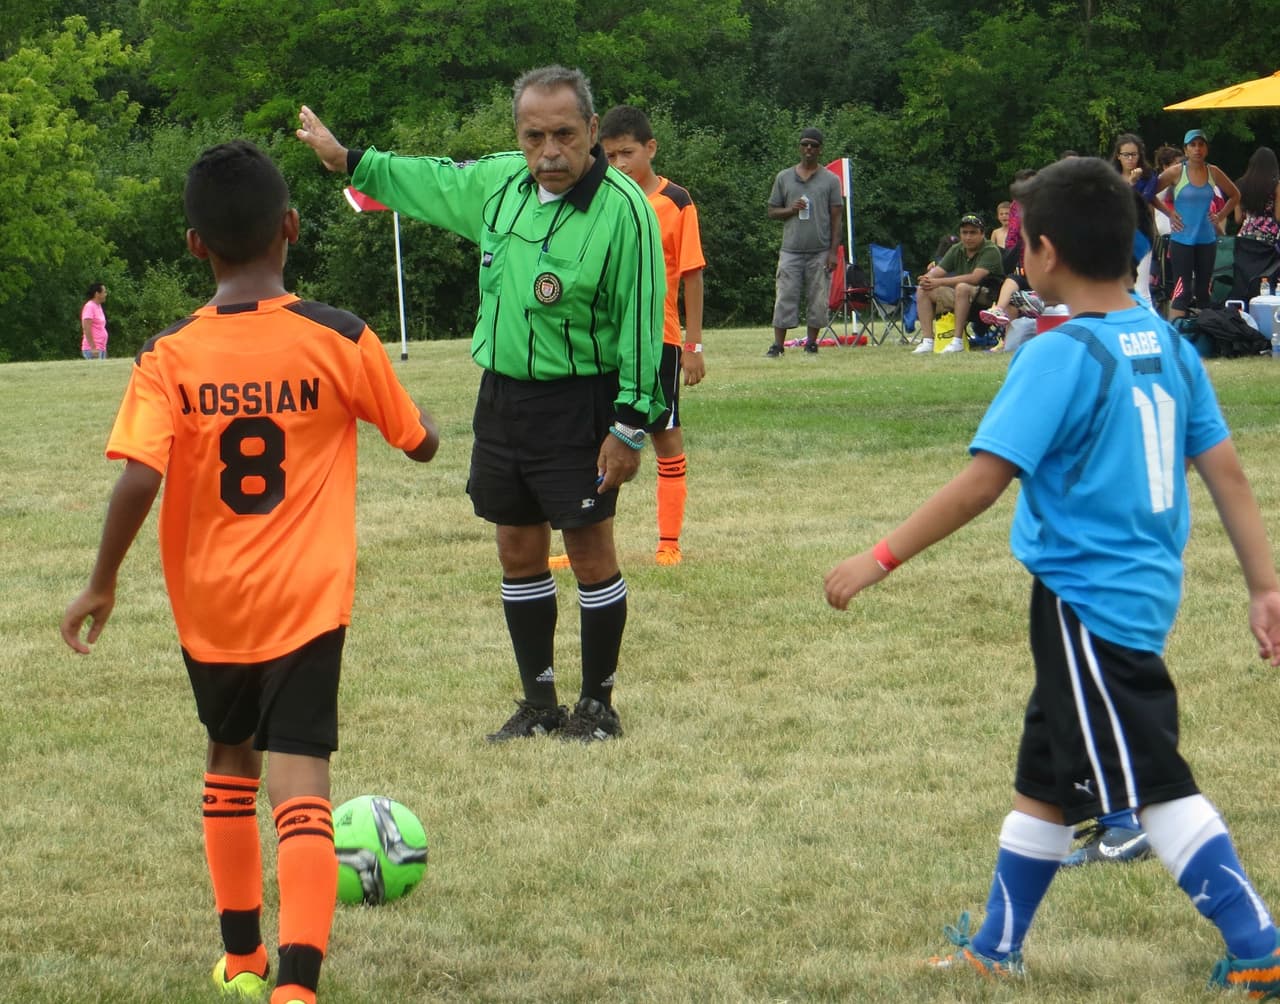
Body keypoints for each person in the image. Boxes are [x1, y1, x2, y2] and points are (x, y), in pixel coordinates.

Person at [825, 156, 1280, 995]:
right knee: (1046, 778)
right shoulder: (1165, 341)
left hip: (1085, 604)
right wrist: (1263, 584)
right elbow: (1227, 471)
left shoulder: (1058, 353)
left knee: (1149, 782)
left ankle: (1259, 943)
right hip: (1133, 594)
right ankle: (996, 945)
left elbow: (982, 482)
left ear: (1040, 251)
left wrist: (878, 556)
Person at [59, 140, 440, 1004]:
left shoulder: (168, 355)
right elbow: (418, 443)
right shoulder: (339, 335)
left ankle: (240, 960)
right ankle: (297, 988)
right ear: (293, 229)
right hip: (306, 600)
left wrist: (102, 580)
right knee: (301, 780)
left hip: (211, 604)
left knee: (228, 760)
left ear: (195, 245)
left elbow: (139, 476)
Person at [296, 66, 666, 744]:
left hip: (579, 401)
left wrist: (629, 427)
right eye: (533, 137)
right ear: (518, 137)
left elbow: (646, 324)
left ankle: (598, 706)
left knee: (588, 551)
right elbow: (428, 179)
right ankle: (539, 704)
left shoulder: (627, 212)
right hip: (501, 398)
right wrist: (349, 160)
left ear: (591, 131)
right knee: (516, 546)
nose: (548, 153)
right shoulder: (499, 185)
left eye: (563, 135)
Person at [598, 105, 706, 567]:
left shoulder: (676, 202)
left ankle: (668, 541)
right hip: (604, 339)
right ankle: (591, 543)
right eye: (609, 155)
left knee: (664, 435)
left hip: (658, 338)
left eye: (627, 153)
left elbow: (693, 276)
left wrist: (693, 345)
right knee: (597, 439)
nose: (618, 164)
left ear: (650, 148)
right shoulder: (600, 198)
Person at [765, 127, 843, 357]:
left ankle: (811, 342)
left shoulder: (830, 180)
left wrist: (833, 252)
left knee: (818, 298)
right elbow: (771, 211)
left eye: (814, 145)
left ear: (820, 150)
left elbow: (837, 218)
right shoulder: (784, 177)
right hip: (791, 249)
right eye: (805, 144)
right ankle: (778, 345)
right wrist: (791, 209)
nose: (809, 149)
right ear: (799, 146)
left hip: (820, 249)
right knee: (785, 296)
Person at [1157, 128, 1239, 319]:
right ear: (1186, 150)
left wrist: (1220, 215)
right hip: (1182, 240)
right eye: (1192, 145)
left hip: (1206, 240)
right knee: (1182, 292)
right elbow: (1150, 192)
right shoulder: (1176, 172)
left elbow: (1235, 195)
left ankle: (1205, 337)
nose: (1197, 149)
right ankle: (1176, 337)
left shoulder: (1214, 172)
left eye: (1201, 144)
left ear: (1206, 149)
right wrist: (1168, 213)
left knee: (1203, 293)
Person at [912, 213, 1004, 354]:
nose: (968, 237)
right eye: (964, 232)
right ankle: (928, 341)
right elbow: (939, 270)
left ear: (982, 233)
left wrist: (938, 281)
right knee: (922, 289)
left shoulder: (990, 249)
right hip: (963, 296)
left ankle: (957, 342)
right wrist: (927, 278)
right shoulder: (957, 249)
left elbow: (975, 278)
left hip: (989, 297)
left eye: (973, 232)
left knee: (962, 287)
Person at [1230, 146, 1280, 301]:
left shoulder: (1240, 184)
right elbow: (1279, 216)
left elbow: (1238, 218)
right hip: (1268, 239)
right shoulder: (1276, 185)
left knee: (1244, 276)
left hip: (1244, 237)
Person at [80, 282, 109, 359]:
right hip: (92, 349)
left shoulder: (98, 306)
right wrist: (93, 347)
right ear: (97, 294)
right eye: (104, 292)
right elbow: (86, 328)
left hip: (101, 348)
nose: (106, 294)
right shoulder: (89, 307)